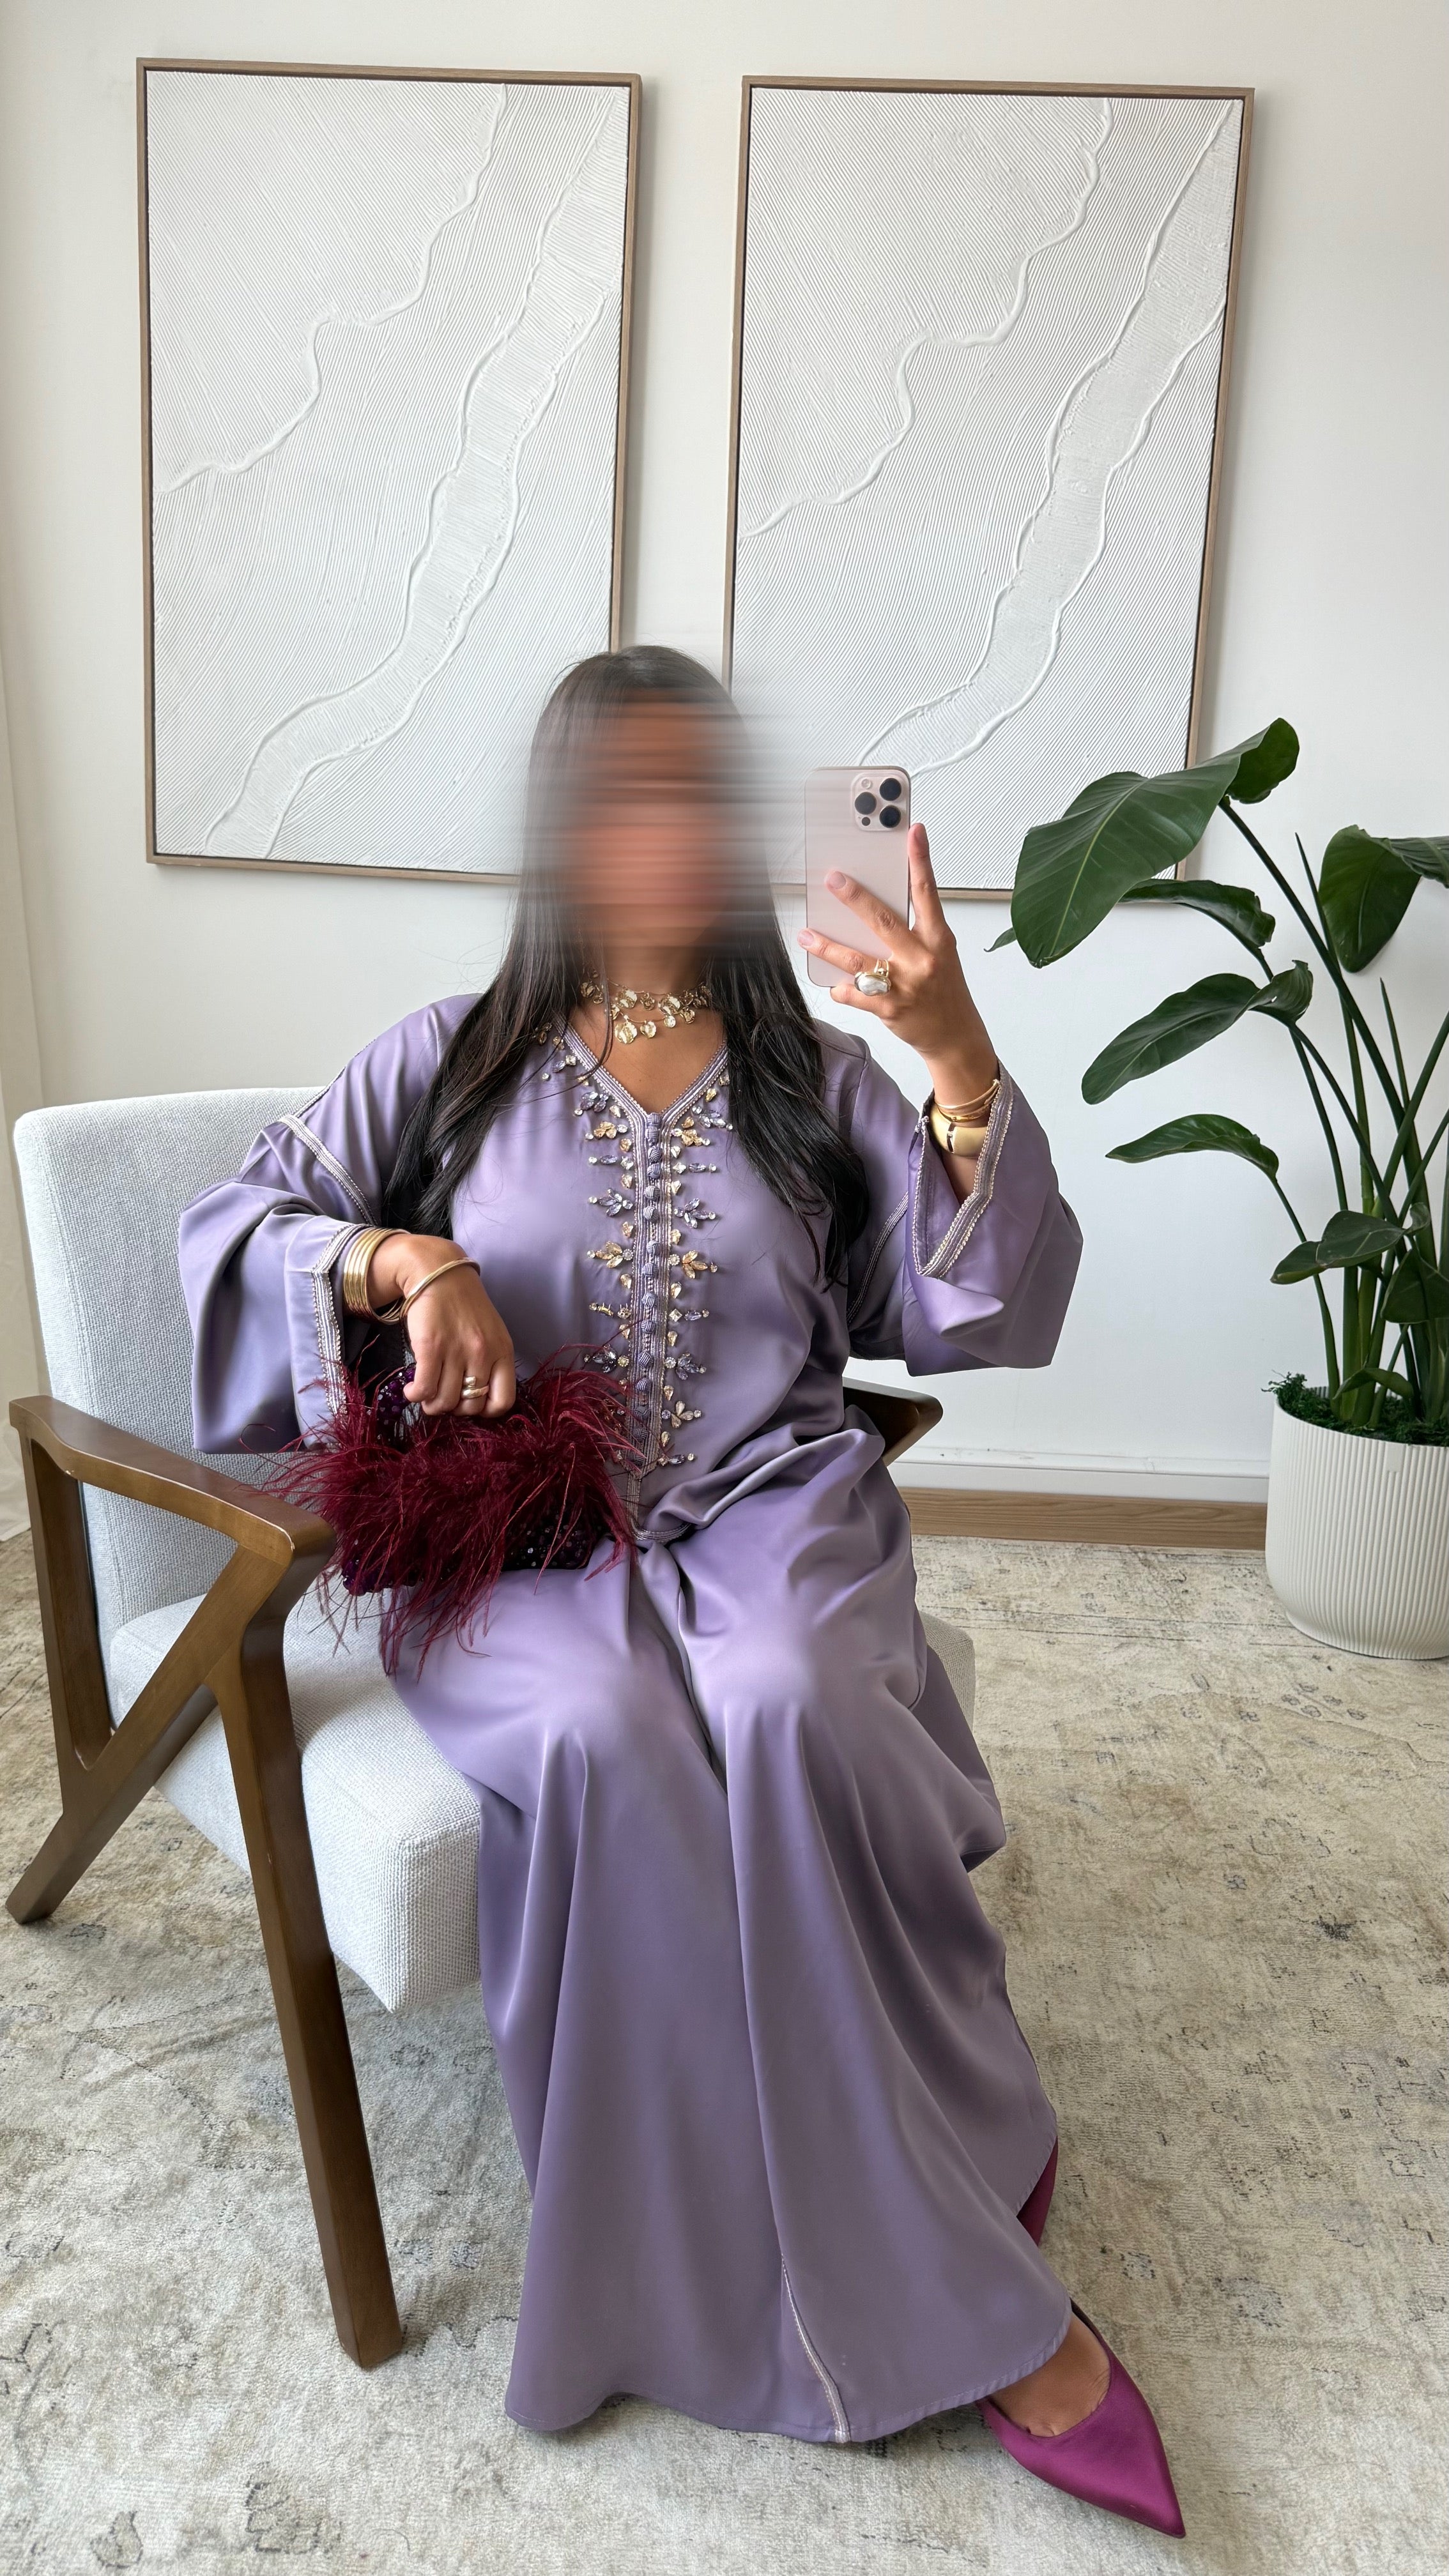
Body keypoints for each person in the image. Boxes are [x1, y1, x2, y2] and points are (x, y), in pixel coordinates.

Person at [180, 648, 1183, 2535]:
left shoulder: (813, 1077)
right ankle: (701, 2268)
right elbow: (237, 1231)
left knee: (794, 1696)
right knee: (602, 1730)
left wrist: (954, 1048)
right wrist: (405, 1262)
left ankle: (934, 2170)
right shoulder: (448, 1058)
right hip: (527, 1544)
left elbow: (973, 1302)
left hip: (772, 1507)